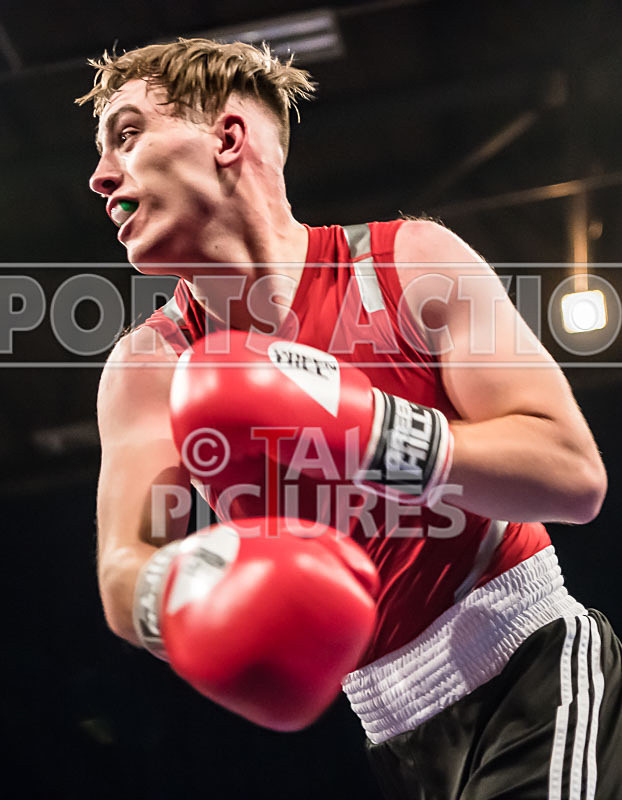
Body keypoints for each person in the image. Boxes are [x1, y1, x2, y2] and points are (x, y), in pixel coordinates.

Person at [77, 38, 622, 798]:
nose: (102, 176)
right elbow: (122, 571)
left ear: (227, 139)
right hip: (391, 738)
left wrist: (367, 432)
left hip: (531, 673)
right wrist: (195, 591)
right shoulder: (150, 367)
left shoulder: (409, 264)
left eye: (128, 135)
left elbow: (572, 477)